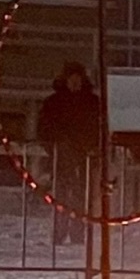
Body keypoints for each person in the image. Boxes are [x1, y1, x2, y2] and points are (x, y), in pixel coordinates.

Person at [36, 62, 102, 245]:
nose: (75, 83)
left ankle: (78, 234)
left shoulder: (92, 103)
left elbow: (99, 130)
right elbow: (44, 130)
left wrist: (93, 149)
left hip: (83, 158)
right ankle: (60, 233)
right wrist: (56, 148)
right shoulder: (54, 103)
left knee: (82, 196)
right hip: (63, 158)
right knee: (62, 196)